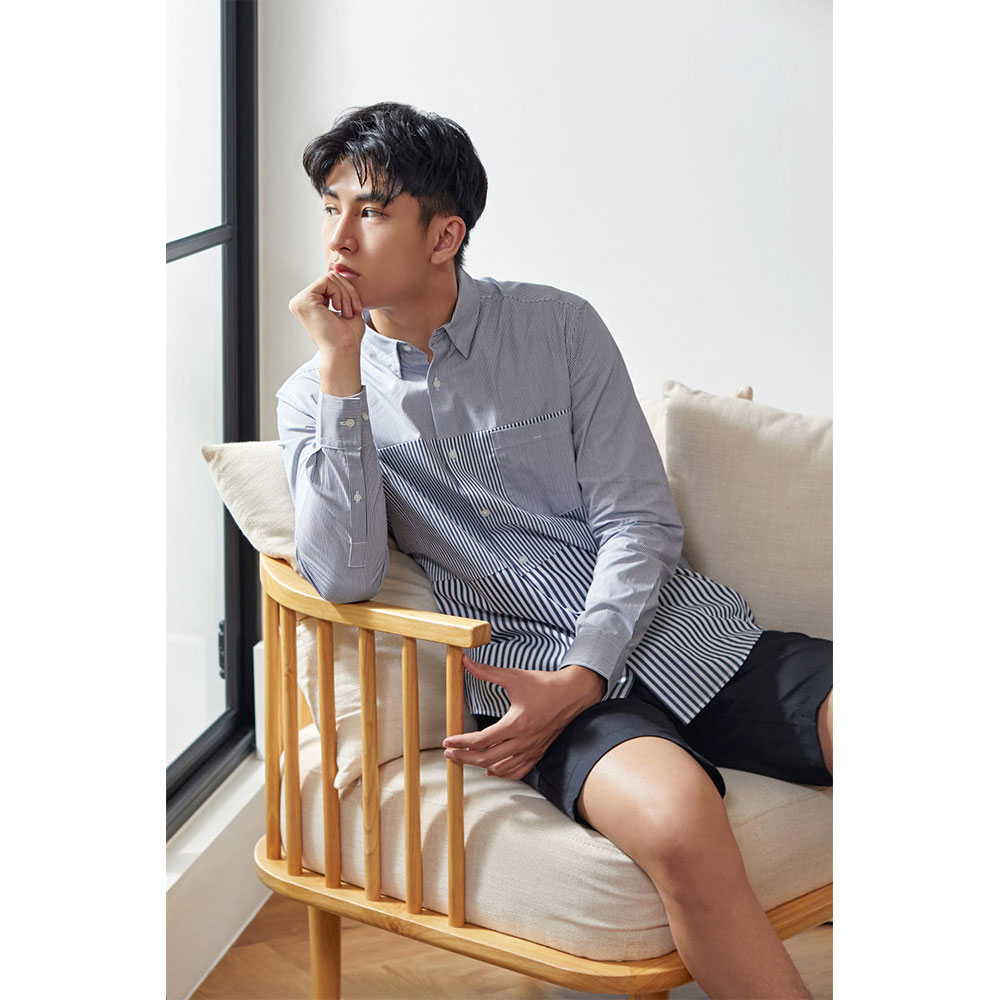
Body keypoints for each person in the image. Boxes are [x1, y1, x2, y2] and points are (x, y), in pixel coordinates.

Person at [277, 101, 832, 999]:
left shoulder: (558, 328)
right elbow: (343, 574)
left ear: (445, 235)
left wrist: (591, 664)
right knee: (677, 819)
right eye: (331, 207)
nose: (339, 237)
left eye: (371, 211)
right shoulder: (315, 397)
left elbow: (639, 520)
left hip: (688, 637)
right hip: (534, 688)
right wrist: (342, 374)